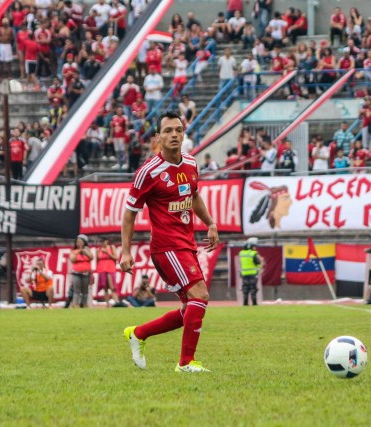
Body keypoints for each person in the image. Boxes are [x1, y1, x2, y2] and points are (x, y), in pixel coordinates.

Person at [121, 111, 220, 373]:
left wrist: (210, 223)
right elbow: (130, 212)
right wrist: (125, 252)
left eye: (178, 129)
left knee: (190, 307)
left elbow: (194, 195)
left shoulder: (190, 163)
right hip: (166, 247)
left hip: (186, 244)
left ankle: (138, 333)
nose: (174, 134)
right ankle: (186, 363)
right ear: (158, 137)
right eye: (168, 131)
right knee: (200, 296)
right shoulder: (148, 172)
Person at [69, 234, 94, 308]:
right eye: (78, 242)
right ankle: (75, 304)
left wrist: (84, 252)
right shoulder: (73, 251)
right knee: (76, 290)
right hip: (76, 273)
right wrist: (78, 251)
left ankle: (84, 304)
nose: (79, 243)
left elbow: (91, 257)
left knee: (85, 290)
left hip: (86, 273)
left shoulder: (87, 250)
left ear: (84, 242)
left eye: (81, 241)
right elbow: (72, 259)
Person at [95, 237, 121, 307]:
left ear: (107, 241)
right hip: (102, 270)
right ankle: (107, 304)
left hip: (110, 269)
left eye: (103, 241)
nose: (102, 243)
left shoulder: (111, 247)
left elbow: (116, 257)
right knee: (105, 287)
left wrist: (107, 253)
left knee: (112, 287)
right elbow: (97, 261)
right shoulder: (98, 250)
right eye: (101, 242)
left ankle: (116, 302)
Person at [239, 237, 264, 306]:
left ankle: (245, 303)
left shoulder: (242, 253)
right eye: (254, 246)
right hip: (253, 273)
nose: (255, 248)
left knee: (245, 289)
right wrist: (260, 265)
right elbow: (258, 262)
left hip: (244, 273)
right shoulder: (253, 254)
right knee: (253, 288)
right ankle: (254, 303)